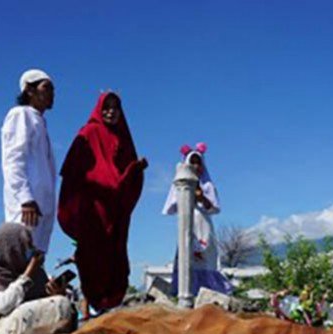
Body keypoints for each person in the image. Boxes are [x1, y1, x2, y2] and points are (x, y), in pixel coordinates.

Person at [57, 92, 147, 316]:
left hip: (115, 213)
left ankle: (111, 307)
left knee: (116, 258)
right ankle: (94, 308)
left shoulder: (123, 137)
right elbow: (74, 174)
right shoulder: (88, 134)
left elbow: (123, 176)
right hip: (93, 211)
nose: (111, 112)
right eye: (106, 107)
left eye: (115, 107)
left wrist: (133, 173)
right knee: (93, 259)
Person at [162, 143, 233, 295]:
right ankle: (185, 291)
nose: (195, 165)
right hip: (187, 223)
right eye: (191, 162)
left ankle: (208, 291)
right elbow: (172, 207)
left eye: (198, 162)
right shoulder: (180, 184)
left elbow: (215, 208)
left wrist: (202, 199)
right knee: (186, 254)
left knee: (205, 255)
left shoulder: (207, 186)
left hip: (203, 223)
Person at [1, 69, 57, 253]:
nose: (51, 94)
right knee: (20, 258)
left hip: (42, 207)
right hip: (27, 207)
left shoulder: (40, 121)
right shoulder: (20, 115)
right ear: (29, 90)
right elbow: (13, 159)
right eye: (46, 88)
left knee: (35, 260)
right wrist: (25, 198)